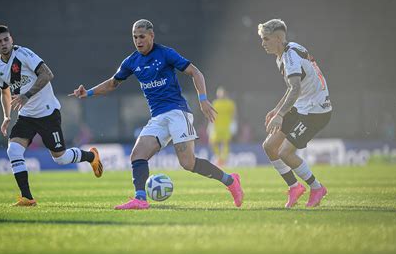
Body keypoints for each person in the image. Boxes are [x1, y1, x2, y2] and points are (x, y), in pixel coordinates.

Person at [70, 19, 243, 210]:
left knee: (187, 163)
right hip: (158, 117)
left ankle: (230, 181)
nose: (138, 41)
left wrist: (203, 99)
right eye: (135, 37)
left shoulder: (166, 53)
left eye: (142, 37)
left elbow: (196, 73)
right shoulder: (131, 61)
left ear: (151, 36)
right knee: (137, 155)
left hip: (178, 112)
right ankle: (140, 199)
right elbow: (113, 83)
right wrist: (89, 92)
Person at [0, 25, 103, 207]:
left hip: (47, 113)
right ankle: (27, 197)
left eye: (6, 39)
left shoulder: (24, 54)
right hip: (26, 116)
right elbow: (4, 92)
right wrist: (6, 116)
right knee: (13, 151)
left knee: (60, 158)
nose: (3, 44)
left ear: (11, 39)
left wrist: (27, 95)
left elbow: (47, 74)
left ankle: (91, 157)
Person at [258, 19, 332, 208]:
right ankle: (294, 187)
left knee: (284, 152)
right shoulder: (285, 53)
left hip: (316, 110)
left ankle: (317, 188)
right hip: (302, 106)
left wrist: (280, 115)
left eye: (266, 39)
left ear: (277, 38)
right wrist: (277, 109)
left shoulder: (290, 57)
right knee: (269, 146)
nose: (263, 43)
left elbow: (296, 88)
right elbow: (293, 89)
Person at [208, 86, 237, 167]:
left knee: (225, 143)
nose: (221, 94)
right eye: (219, 93)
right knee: (212, 142)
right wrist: (210, 125)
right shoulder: (215, 103)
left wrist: (234, 124)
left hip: (226, 127)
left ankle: (224, 160)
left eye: (222, 92)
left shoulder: (230, 103)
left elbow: (234, 114)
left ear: (225, 93)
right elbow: (212, 114)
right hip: (216, 127)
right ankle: (219, 157)